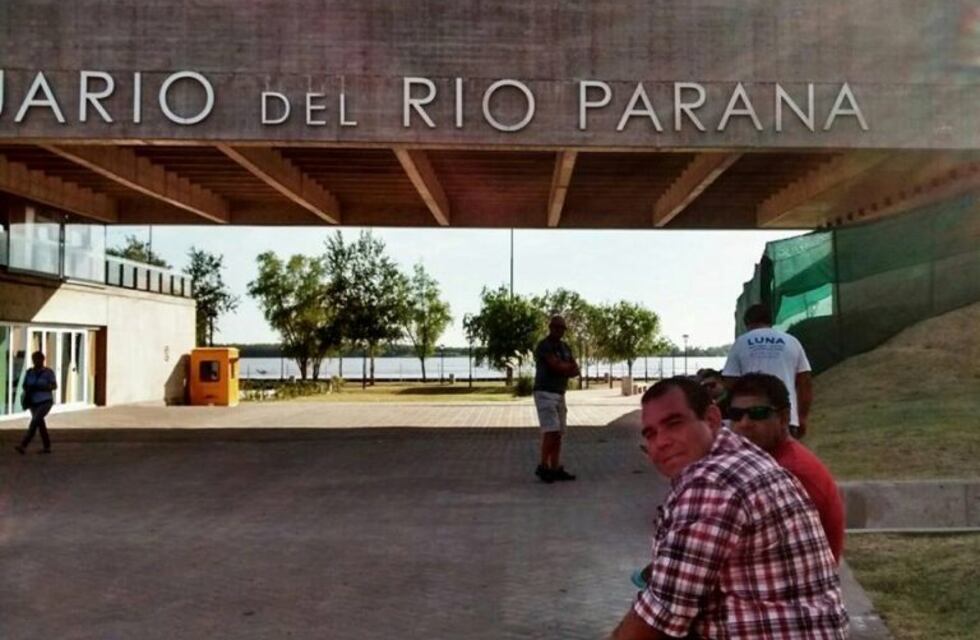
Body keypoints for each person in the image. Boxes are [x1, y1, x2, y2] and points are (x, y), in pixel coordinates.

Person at [609, 377, 846, 640]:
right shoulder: (743, 457)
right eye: (650, 434)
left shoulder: (713, 482)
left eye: (674, 424)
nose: (661, 441)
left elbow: (661, 614)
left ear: (711, 419)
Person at [728, 373, 845, 564]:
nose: (744, 423)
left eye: (758, 413)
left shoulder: (789, 473)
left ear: (784, 418)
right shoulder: (769, 462)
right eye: (735, 415)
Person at [723, 303, 813, 438]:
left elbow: (730, 383)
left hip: (751, 418)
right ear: (771, 321)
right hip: (785, 418)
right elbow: (805, 383)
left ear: (746, 323)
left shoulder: (741, 343)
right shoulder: (792, 342)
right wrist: (802, 417)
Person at [532, 315, 580, 483]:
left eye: (562, 328)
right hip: (545, 393)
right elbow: (554, 365)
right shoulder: (544, 346)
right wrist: (564, 367)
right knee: (550, 430)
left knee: (558, 432)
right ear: (550, 327)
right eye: (557, 327)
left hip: (560, 394)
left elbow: (575, 370)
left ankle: (555, 467)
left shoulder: (565, 347)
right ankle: (543, 466)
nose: (559, 331)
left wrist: (563, 367)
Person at [15, 351, 57, 455]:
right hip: (33, 402)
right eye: (34, 359)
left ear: (43, 360)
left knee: (35, 421)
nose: (37, 362)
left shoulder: (48, 372)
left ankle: (23, 444)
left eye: (39, 359)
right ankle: (47, 446)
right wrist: (29, 388)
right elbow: (24, 385)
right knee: (40, 423)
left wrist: (42, 387)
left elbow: (54, 386)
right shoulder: (29, 372)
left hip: (45, 401)